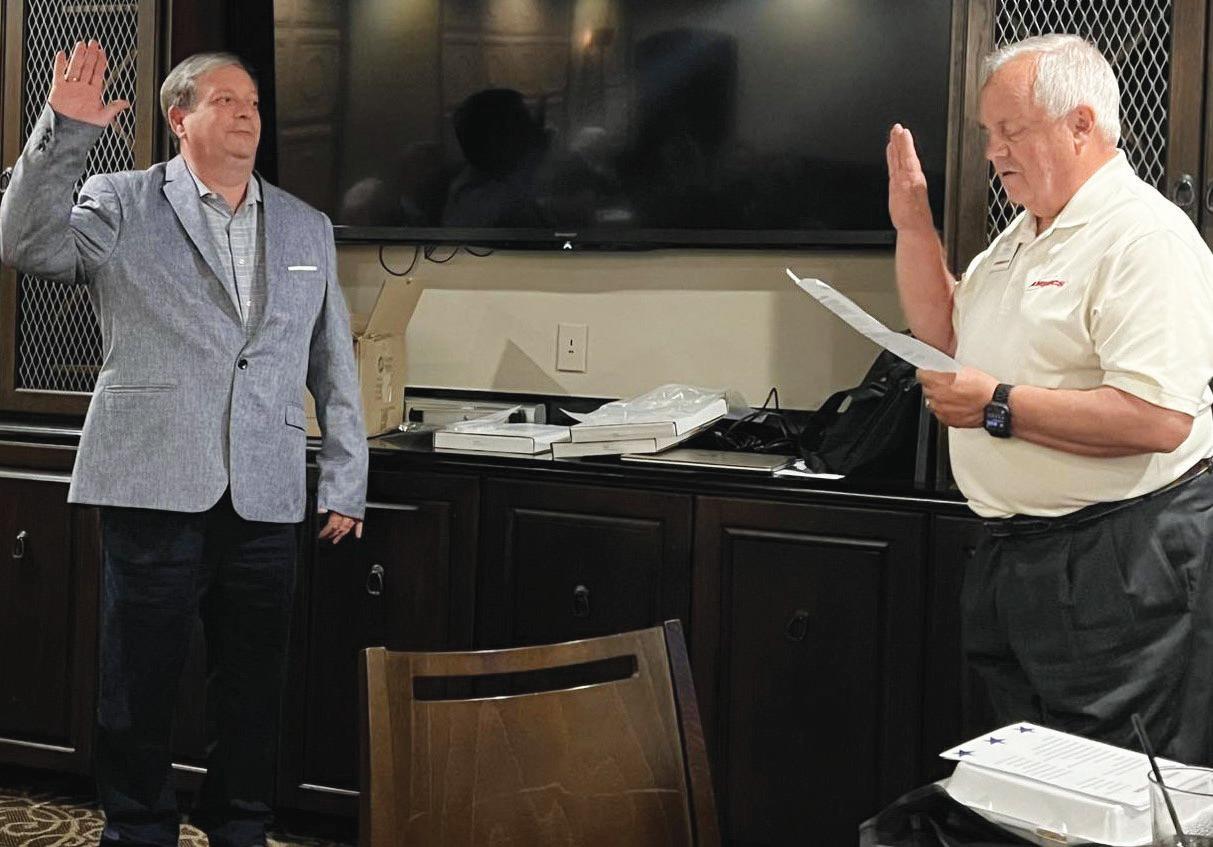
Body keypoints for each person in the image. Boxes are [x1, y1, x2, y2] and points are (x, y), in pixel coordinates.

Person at [0, 42, 369, 845]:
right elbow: (25, 243)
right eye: (225, 100)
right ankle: (138, 827)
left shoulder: (306, 226)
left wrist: (346, 477)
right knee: (139, 681)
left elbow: (332, 363)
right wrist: (64, 130)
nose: (245, 114)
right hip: (151, 479)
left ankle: (241, 824)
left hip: (266, 490)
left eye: (253, 103)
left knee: (253, 685)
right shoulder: (121, 199)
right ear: (180, 118)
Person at [887, 33, 1213, 763]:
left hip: (1118, 560)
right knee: (1025, 783)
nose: (992, 151)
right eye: (988, 133)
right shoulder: (1022, 234)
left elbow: (1158, 418)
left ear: (1081, 124)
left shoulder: (1143, 238)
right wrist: (913, 223)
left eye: (1011, 130)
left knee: (1110, 786)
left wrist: (996, 404)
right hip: (1016, 556)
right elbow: (945, 334)